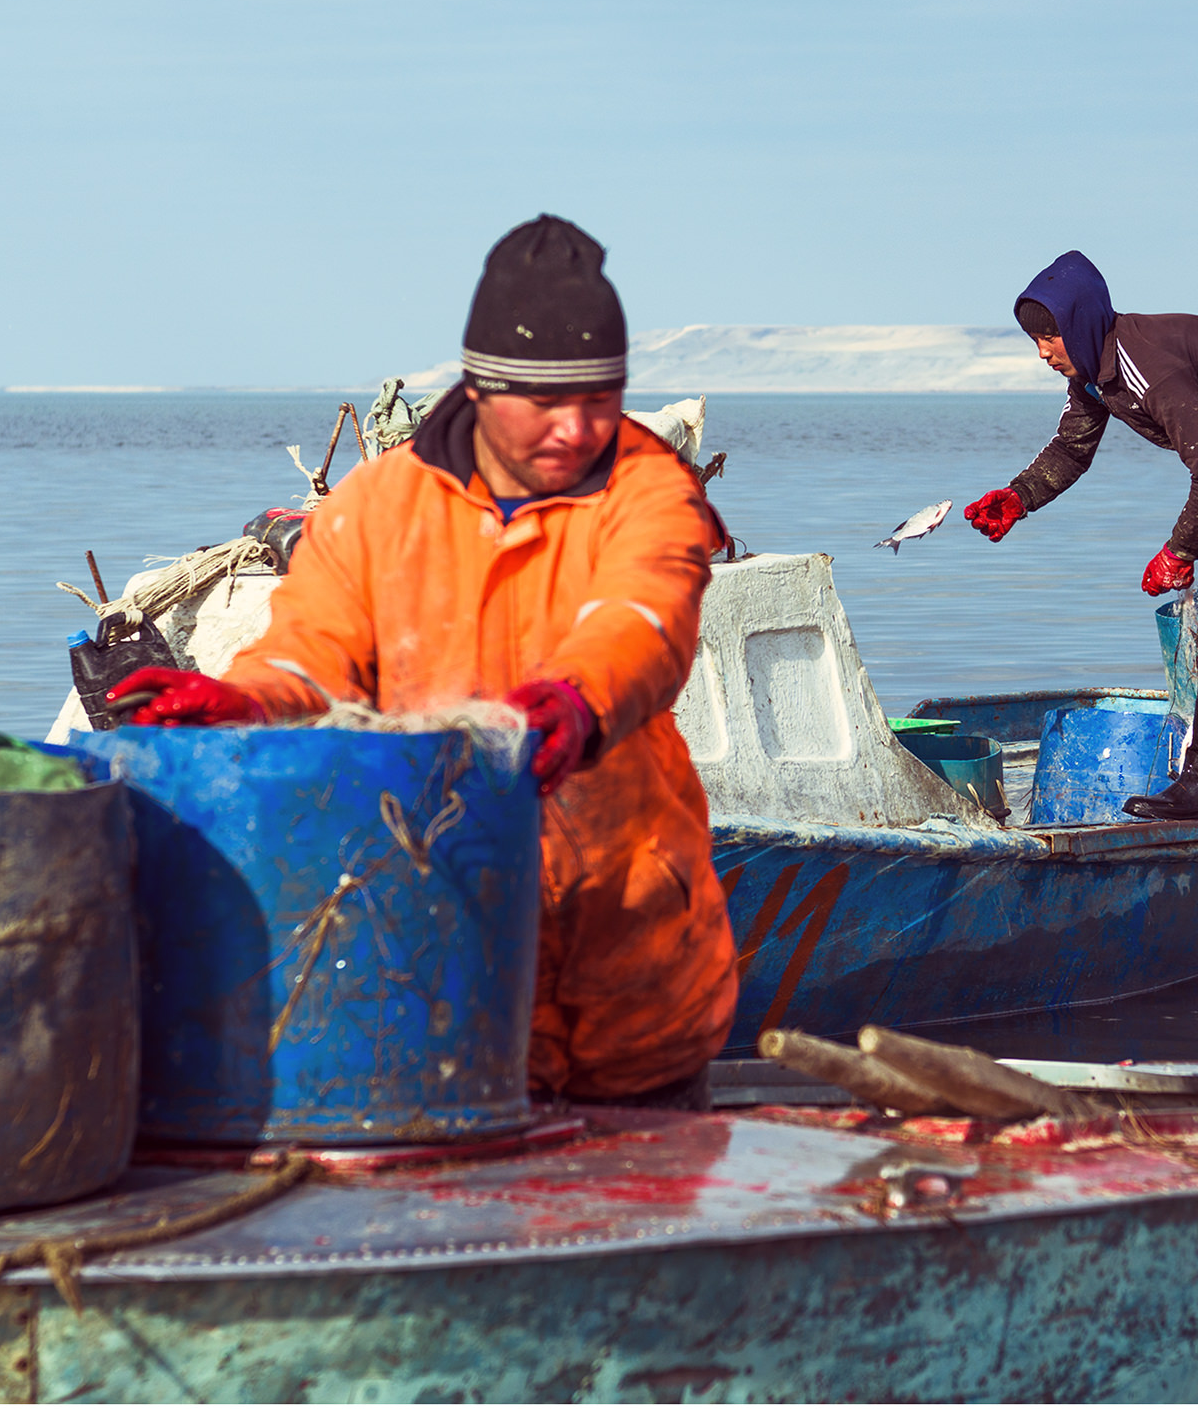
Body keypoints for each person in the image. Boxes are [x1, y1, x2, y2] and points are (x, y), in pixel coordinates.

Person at [106, 214, 737, 1110]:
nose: (579, 425)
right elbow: (310, 656)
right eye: (547, 401)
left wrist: (576, 701)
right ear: (481, 387)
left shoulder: (650, 489)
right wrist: (236, 701)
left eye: (601, 397)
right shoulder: (375, 507)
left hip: (635, 986)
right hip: (437, 984)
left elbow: (645, 613)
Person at [963, 250, 1198, 824]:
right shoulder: (1094, 374)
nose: (1043, 353)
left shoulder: (1144, 363)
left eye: (1051, 337)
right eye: (1034, 341)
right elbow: (1071, 449)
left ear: (1082, 324)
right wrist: (1019, 497)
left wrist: (1179, 550)